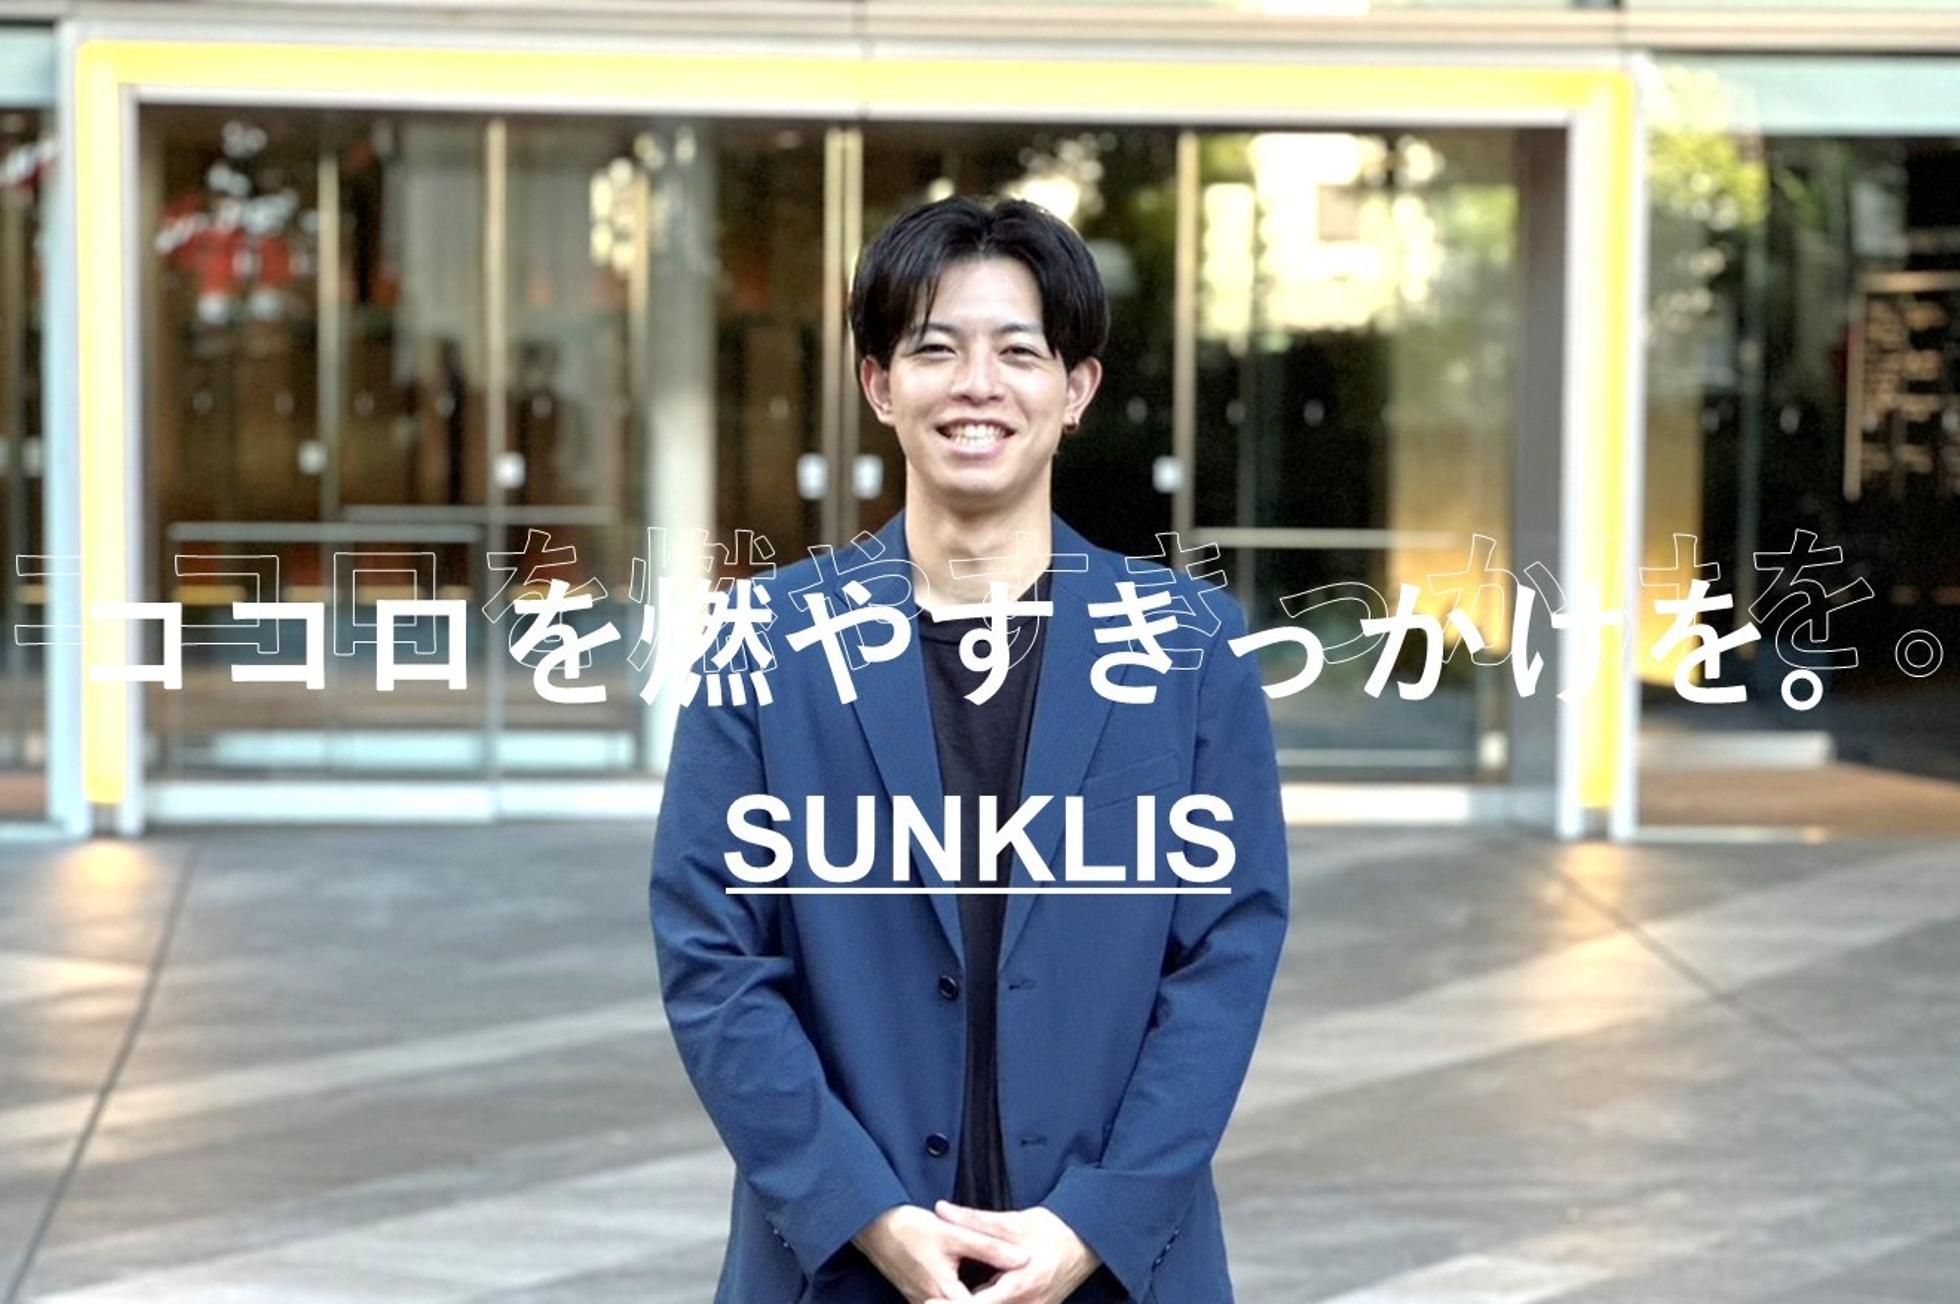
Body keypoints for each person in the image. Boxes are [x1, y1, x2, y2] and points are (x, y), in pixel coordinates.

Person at [650, 195, 1289, 1303]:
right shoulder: (769, 641)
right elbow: (714, 956)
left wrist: (1096, 1219)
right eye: (934, 348)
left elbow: (1224, 957)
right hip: (839, 1264)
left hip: (1117, 1266)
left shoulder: (1189, 648)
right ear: (878, 385)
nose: (976, 384)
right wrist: (864, 1212)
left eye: (1018, 352)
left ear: (1076, 390)